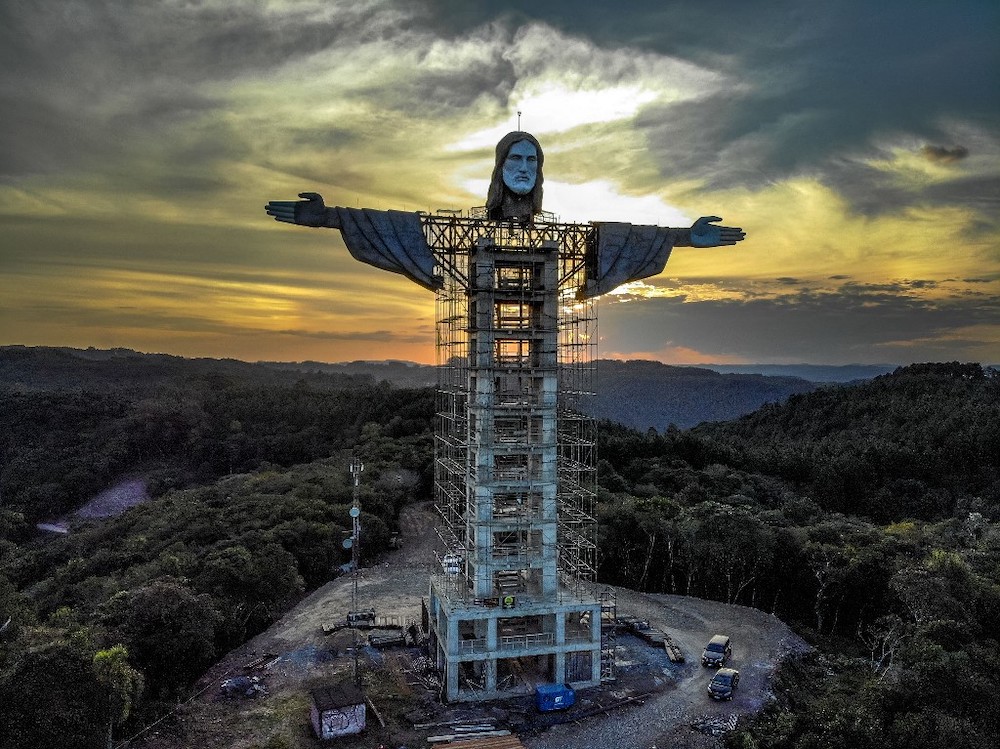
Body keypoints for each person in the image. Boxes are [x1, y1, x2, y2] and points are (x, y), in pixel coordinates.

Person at [264, 131, 745, 295]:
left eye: (533, 161)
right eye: (515, 159)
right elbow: (397, 227)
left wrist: (685, 236)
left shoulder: (573, 235)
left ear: (541, 170)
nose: (524, 168)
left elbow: (625, 237)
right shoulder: (459, 230)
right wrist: (329, 217)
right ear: (499, 167)